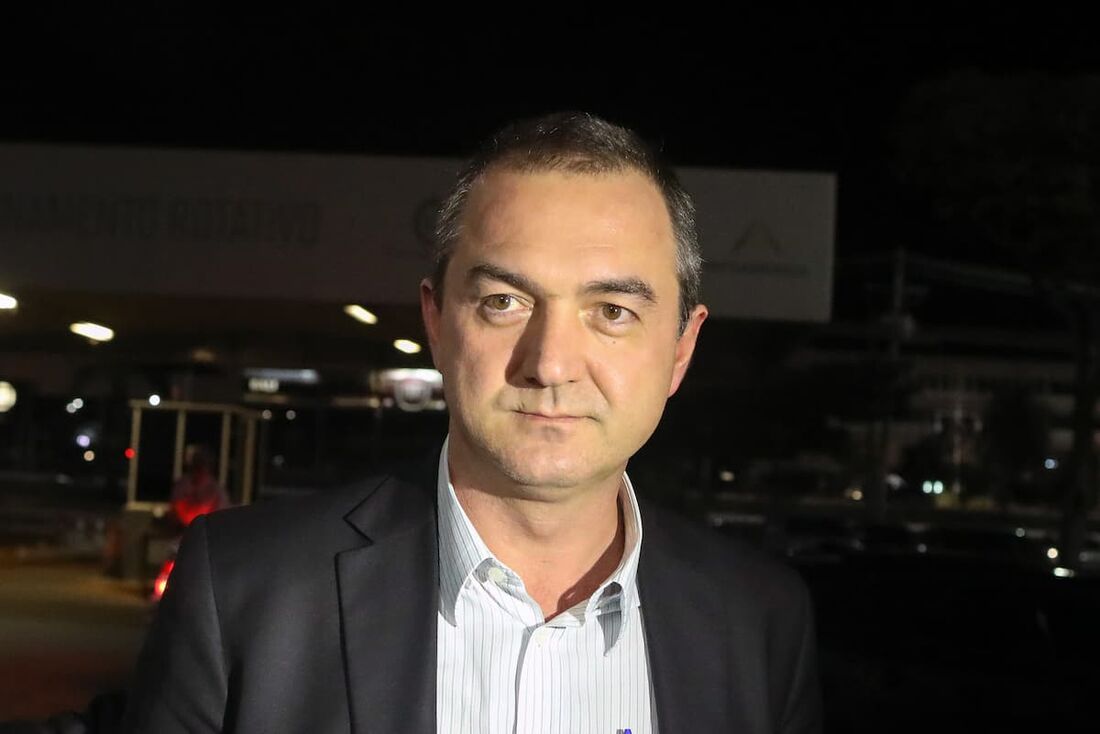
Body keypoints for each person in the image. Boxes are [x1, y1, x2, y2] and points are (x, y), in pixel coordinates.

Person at [120, 112, 822, 733]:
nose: (550, 364)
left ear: (681, 348)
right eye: (504, 302)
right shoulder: (245, 591)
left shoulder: (760, 621)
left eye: (612, 312)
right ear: (436, 322)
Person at [169, 446, 230, 527]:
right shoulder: (182, 485)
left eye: (204, 463)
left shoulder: (217, 491)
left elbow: (221, 515)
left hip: (207, 529)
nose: (201, 467)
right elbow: (176, 508)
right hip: (181, 529)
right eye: (198, 463)